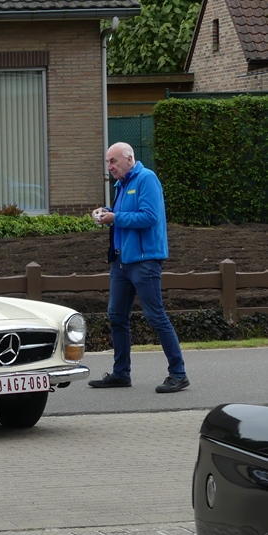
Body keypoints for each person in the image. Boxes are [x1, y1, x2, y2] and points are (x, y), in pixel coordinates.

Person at [90, 142, 189, 393]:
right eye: (108, 162)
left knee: (155, 316)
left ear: (129, 158)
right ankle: (121, 374)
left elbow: (149, 216)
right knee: (116, 316)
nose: (110, 167)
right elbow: (125, 214)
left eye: (113, 161)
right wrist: (105, 213)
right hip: (121, 262)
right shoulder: (122, 184)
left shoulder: (147, 179)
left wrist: (115, 217)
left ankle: (178, 374)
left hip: (144, 261)